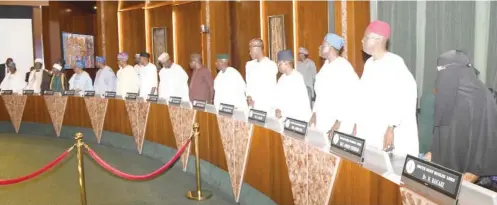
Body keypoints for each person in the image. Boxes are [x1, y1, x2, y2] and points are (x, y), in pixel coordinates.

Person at [425, 50, 497, 184]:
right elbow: (442, 129)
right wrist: (433, 150)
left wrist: (475, 171)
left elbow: (487, 140)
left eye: (443, 69)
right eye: (439, 69)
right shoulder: (446, 93)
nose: (440, 74)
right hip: (444, 172)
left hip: (471, 177)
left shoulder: (481, 97)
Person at [354, 20, 419, 156]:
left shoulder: (395, 63)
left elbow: (405, 98)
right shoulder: (369, 64)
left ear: (378, 40)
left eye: (365, 37)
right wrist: (357, 124)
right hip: (371, 130)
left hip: (389, 133)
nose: (362, 41)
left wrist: (391, 127)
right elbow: (362, 97)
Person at [311, 33, 359, 134]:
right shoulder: (326, 66)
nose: (319, 48)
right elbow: (320, 95)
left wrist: (338, 122)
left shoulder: (344, 67)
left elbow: (350, 97)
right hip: (323, 119)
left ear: (331, 48)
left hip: (339, 123)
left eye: (323, 46)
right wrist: (314, 114)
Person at [273, 50, 312, 122]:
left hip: (297, 119)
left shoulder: (297, 77)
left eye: (279, 64)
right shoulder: (281, 78)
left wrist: (283, 112)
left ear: (286, 63)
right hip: (284, 118)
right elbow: (277, 96)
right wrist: (277, 108)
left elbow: (296, 103)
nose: (278, 66)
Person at [245, 38, 278, 113]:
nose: (250, 52)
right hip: (252, 106)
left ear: (257, 49)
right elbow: (248, 83)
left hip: (266, 106)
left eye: (250, 49)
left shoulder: (270, 65)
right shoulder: (249, 65)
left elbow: (271, 88)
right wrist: (249, 96)